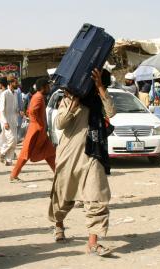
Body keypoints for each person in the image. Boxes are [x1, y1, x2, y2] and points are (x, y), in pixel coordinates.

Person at [48, 68, 116, 256]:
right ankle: (59, 224)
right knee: (63, 196)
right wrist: (74, 104)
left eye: (98, 82)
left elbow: (112, 111)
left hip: (93, 154)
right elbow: (59, 123)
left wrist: (101, 88)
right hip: (70, 154)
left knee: (97, 197)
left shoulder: (99, 99)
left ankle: (93, 242)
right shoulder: (70, 98)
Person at [10, 78, 56, 182]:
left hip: (40, 131)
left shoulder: (38, 96)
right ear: (43, 87)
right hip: (36, 131)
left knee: (49, 152)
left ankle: (58, 174)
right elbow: (32, 111)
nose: (49, 88)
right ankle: (14, 175)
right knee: (25, 153)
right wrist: (38, 124)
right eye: (48, 86)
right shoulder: (38, 97)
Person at [0, 75, 19, 166]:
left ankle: (9, 160)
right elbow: (1, 109)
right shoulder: (4, 94)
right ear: (10, 83)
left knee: (14, 141)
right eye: (15, 82)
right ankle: (1, 153)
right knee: (11, 139)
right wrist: (5, 121)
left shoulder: (16, 94)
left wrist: (19, 112)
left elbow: (15, 107)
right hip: (6, 121)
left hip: (14, 120)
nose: (17, 84)